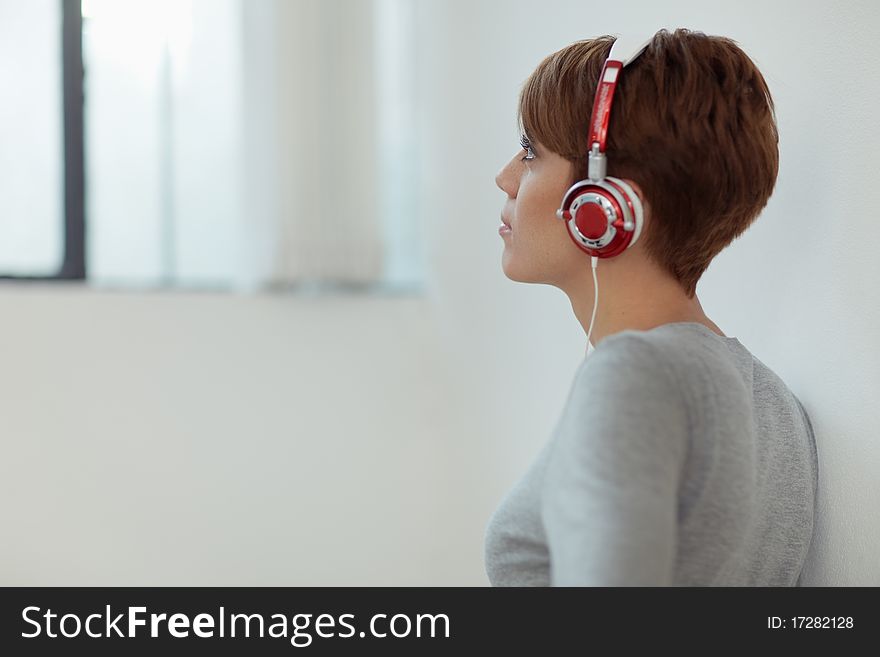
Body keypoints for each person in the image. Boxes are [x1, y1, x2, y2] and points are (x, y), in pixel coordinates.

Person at [485, 28, 819, 585]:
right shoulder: (775, 402)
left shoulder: (632, 377)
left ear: (602, 201)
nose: (505, 177)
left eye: (530, 152)